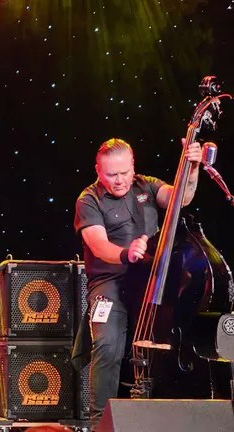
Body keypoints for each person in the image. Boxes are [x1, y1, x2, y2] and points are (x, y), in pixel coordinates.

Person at [72, 137, 202, 425]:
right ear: (98, 170)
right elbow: (98, 245)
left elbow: (181, 198)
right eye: (111, 174)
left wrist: (192, 168)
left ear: (133, 167)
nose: (119, 180)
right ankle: (99, 423)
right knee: (107, 345)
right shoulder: (88, 199)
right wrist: (126, 253)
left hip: (150, 280)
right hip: (110, 282)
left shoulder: (147, 185)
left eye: (124, 172)